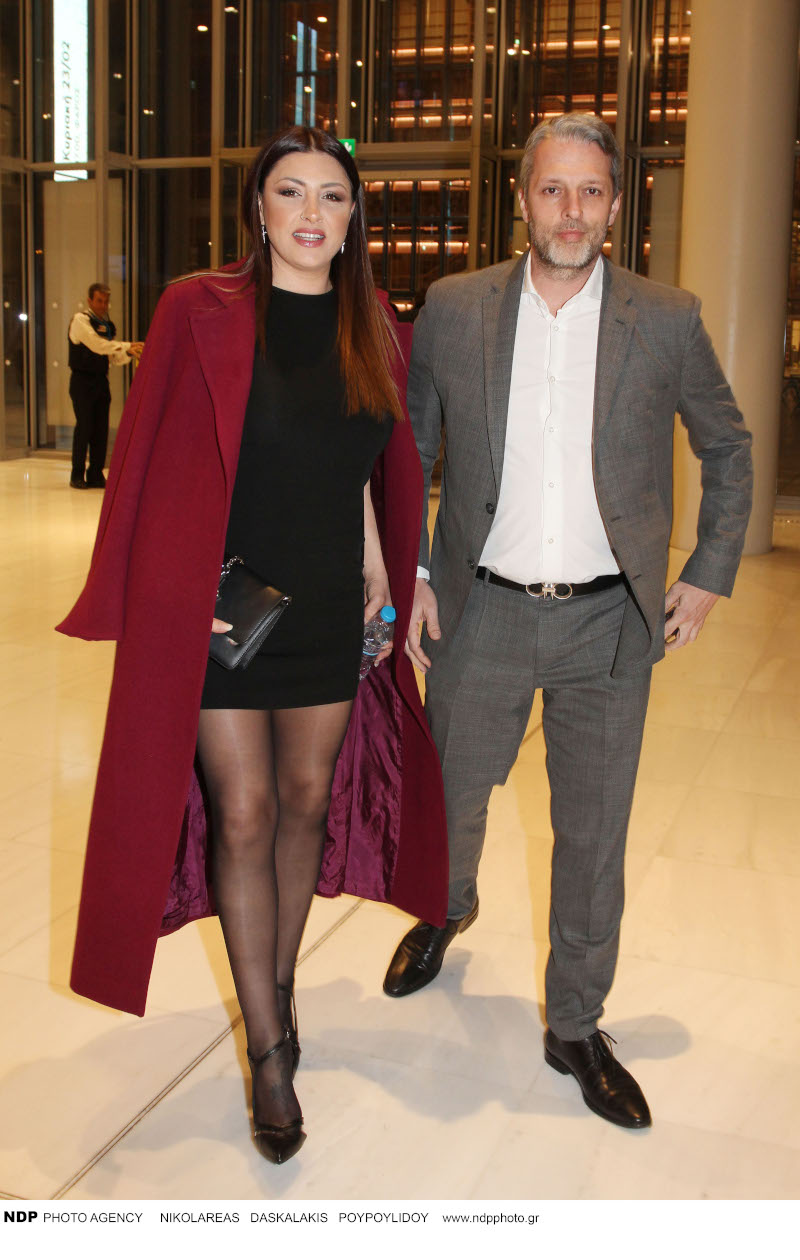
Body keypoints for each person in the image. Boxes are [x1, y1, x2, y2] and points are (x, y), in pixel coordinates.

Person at [57, 127, 448, 1165]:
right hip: (223, 611)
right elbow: (146, 461)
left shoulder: (377, 326)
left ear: (353, 217)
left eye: (332, 195)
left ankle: (273, 986)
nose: (312, 212)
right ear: (259, 210)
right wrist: (162, 595)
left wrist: (382, 559)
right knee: (242, 811)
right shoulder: (198, 308)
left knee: (306, 802)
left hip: (325, 610)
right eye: (290, 192)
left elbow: (365, 458)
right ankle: (269, 1052)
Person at [382, 112, 753, 1130]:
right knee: (449, 798)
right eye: (553, 189)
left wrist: (708, 571)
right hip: (480, 613)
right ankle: (446, 908)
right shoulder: (455, 308)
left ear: (615, 205)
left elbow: (728, 447)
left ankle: (576, 1025)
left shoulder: (664, 318)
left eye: (591, 191)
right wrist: (412, 571)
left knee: (590, 837)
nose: (571, 211)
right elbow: (410, 451)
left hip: (607, 628)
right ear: (522, 200)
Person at [67, 283, 143, 488]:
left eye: (106, 301)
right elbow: (97, 345)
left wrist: (128, 353)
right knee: (84, 427)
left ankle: (96, 474)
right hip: (82, 382)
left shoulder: (107, 326)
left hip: (101, 382)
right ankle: (76, 475)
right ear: (90, 300)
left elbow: (111, 357)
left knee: (101, 429)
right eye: (99, 301)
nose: (103, 305)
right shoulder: (81, 320)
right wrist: (127, 345)